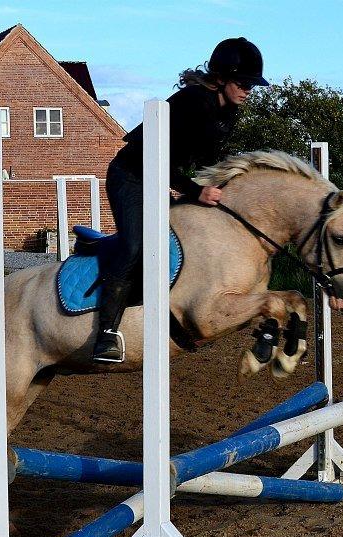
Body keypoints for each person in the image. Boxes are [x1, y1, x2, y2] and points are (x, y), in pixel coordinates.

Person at [92, 37, 269, 363]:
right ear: (221, 78)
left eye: (250, 85)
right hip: (131, 175)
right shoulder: (192, 102)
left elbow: (208, 162)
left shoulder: (228, 111)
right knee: (136, 246)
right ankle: (105, 332)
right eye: (242, 83)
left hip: (161, 178)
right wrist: (194, 191)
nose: (247, 90)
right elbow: (152, 158)